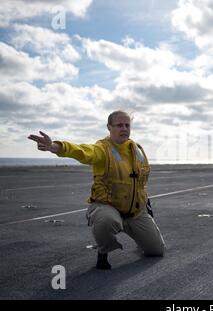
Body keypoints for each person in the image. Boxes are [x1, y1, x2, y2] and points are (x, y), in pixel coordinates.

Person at [28, 110, 165, 270]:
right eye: (119, 125)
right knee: (107, 221)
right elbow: (82, 151)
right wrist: (54, 146)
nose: (124, 128)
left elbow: (140, 183)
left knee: (156, 251)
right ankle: (103, 250)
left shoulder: (137, 150)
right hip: (108, 206)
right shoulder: (102, 149)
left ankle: (134, 233)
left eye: (127, 125)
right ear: (109, 127)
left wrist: (144, 204)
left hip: (135, 212)